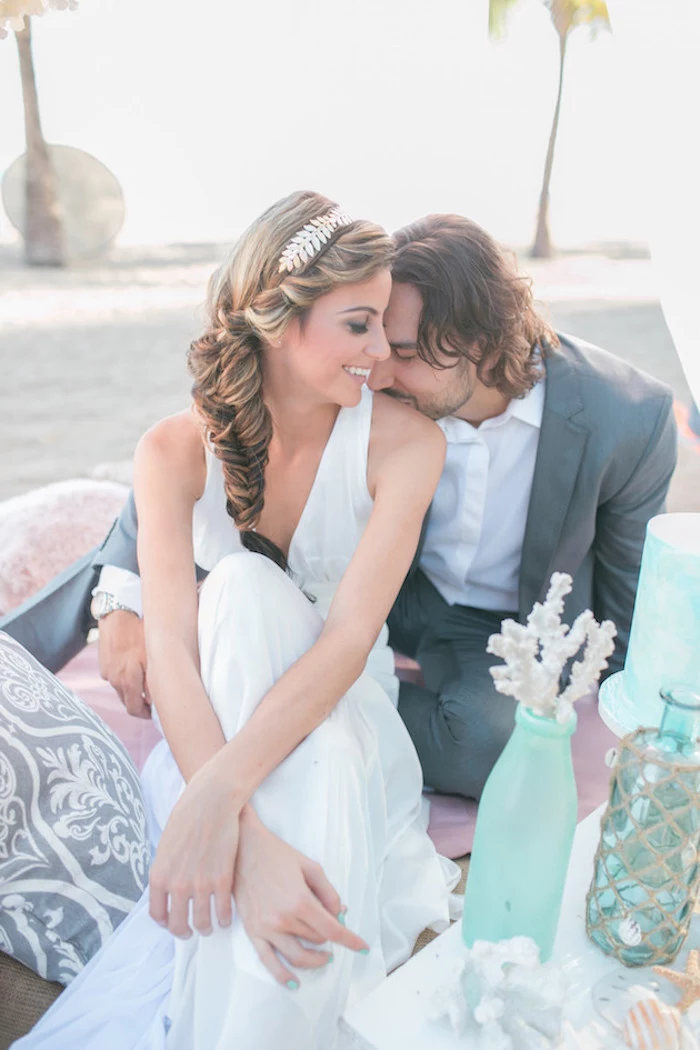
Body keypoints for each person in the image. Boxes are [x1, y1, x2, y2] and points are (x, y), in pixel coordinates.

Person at [1, 214, 677, 802]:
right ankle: (20, 658)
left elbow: (628, 590)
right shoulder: (374, 377)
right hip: (382, 584)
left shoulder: (626, 418)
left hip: (498, 624)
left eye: (403, 352)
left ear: (477, 343)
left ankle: (309, 717)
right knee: (183, 549)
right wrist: (122, 599)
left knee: (491, 744)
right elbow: (203, 438)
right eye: (374, 333)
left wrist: (611, 714)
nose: (378, 366)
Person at [11, 191, 457, 1050]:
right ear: (281, 322)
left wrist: (215, 799)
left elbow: (349, 640)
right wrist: (243, 835)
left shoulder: (406, 446)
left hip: (341, 715)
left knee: (268, 636)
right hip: (223, 720)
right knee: (243, 592)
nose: (383, 354)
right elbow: (172, 648)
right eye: (359, 325)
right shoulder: (174, 451)